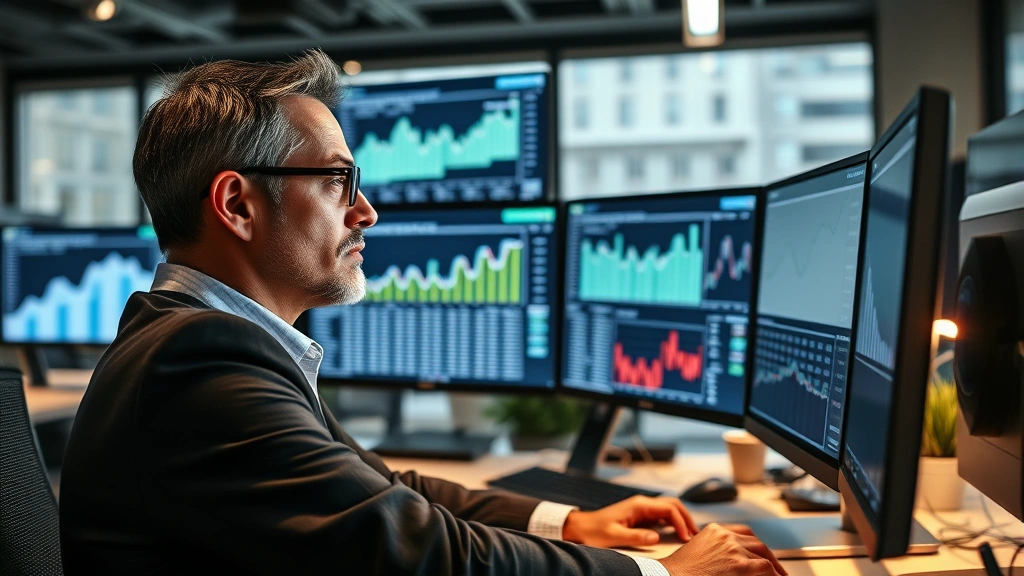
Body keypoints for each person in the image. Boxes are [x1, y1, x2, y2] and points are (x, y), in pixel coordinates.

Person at [59, 50, 785, 576]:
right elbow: (420, 552)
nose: (365, 211)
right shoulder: (199, 360)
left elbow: (382, 491)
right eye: (338, 179)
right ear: (237, 204)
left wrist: (569, 521)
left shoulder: (198, 339)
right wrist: (662, 573)